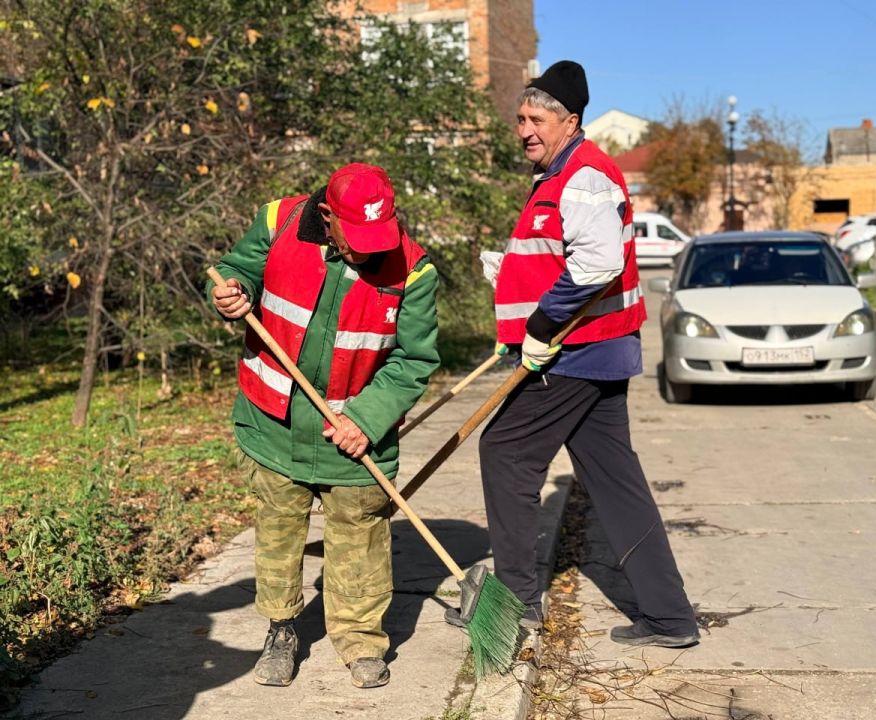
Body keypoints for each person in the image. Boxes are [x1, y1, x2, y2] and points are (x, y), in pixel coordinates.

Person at [447, 61, 699, 647]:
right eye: (520, 118)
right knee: (615, 482)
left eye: (537, 118)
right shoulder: (558, 174)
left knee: (505, 452)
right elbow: (561, 254)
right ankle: (669, 617)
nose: (525, 129)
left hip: (575, 354)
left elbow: (598, 264)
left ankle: (515, 605)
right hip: (592, 354)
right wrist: (508, 272)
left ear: (570, 120)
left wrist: (539, 322)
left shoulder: (583, 174)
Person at [210, 163, 440, 689]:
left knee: (360, 534)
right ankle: (280, 629)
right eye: (354, 239)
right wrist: (230, 296)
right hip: (275, 421)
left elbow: (414, 361)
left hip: (357, 435)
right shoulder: (279, 221)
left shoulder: (415, 270)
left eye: (376, 238)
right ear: (326, 217)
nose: (366, 252)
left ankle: (361, 640)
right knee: (278, 529)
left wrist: (366, 419)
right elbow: (233, 272)